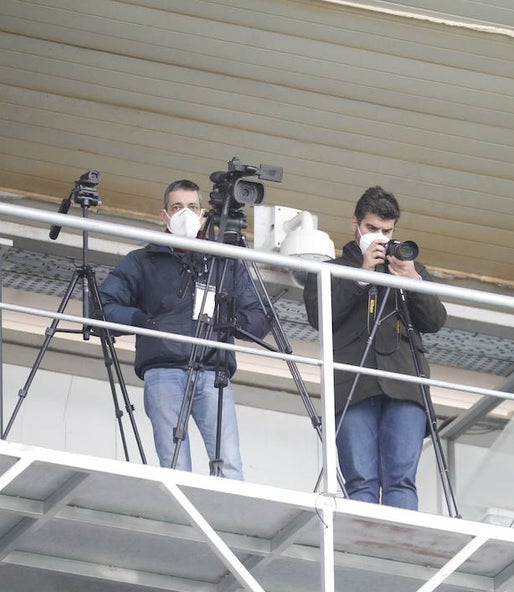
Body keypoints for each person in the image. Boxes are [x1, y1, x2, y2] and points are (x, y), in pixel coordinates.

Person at [98, 179, 269, 479]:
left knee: (228, 463)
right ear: (163, 215)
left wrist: (231, 322)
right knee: (175, 467)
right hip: (163, 371)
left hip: (214, 372)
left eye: (192, 207)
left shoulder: (224, 261)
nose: (185, 214)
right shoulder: (142, 261)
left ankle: (227, 523)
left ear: (204, 215)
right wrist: (143, 322)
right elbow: (100, 307)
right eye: (177, 207)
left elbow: (260, 315)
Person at [303, 186, 447, 509]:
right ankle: (361, 552)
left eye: (387, 231)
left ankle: (398, 553)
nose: (379, 237)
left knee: (401, 480)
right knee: (361, 481)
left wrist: (411, 280)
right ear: (355, 223)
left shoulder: (409, 268)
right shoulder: (330, 268)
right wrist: (361, 275)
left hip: (406, 385)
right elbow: (319, 316)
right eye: (371, 229)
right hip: (352, 385)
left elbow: (436, 320)